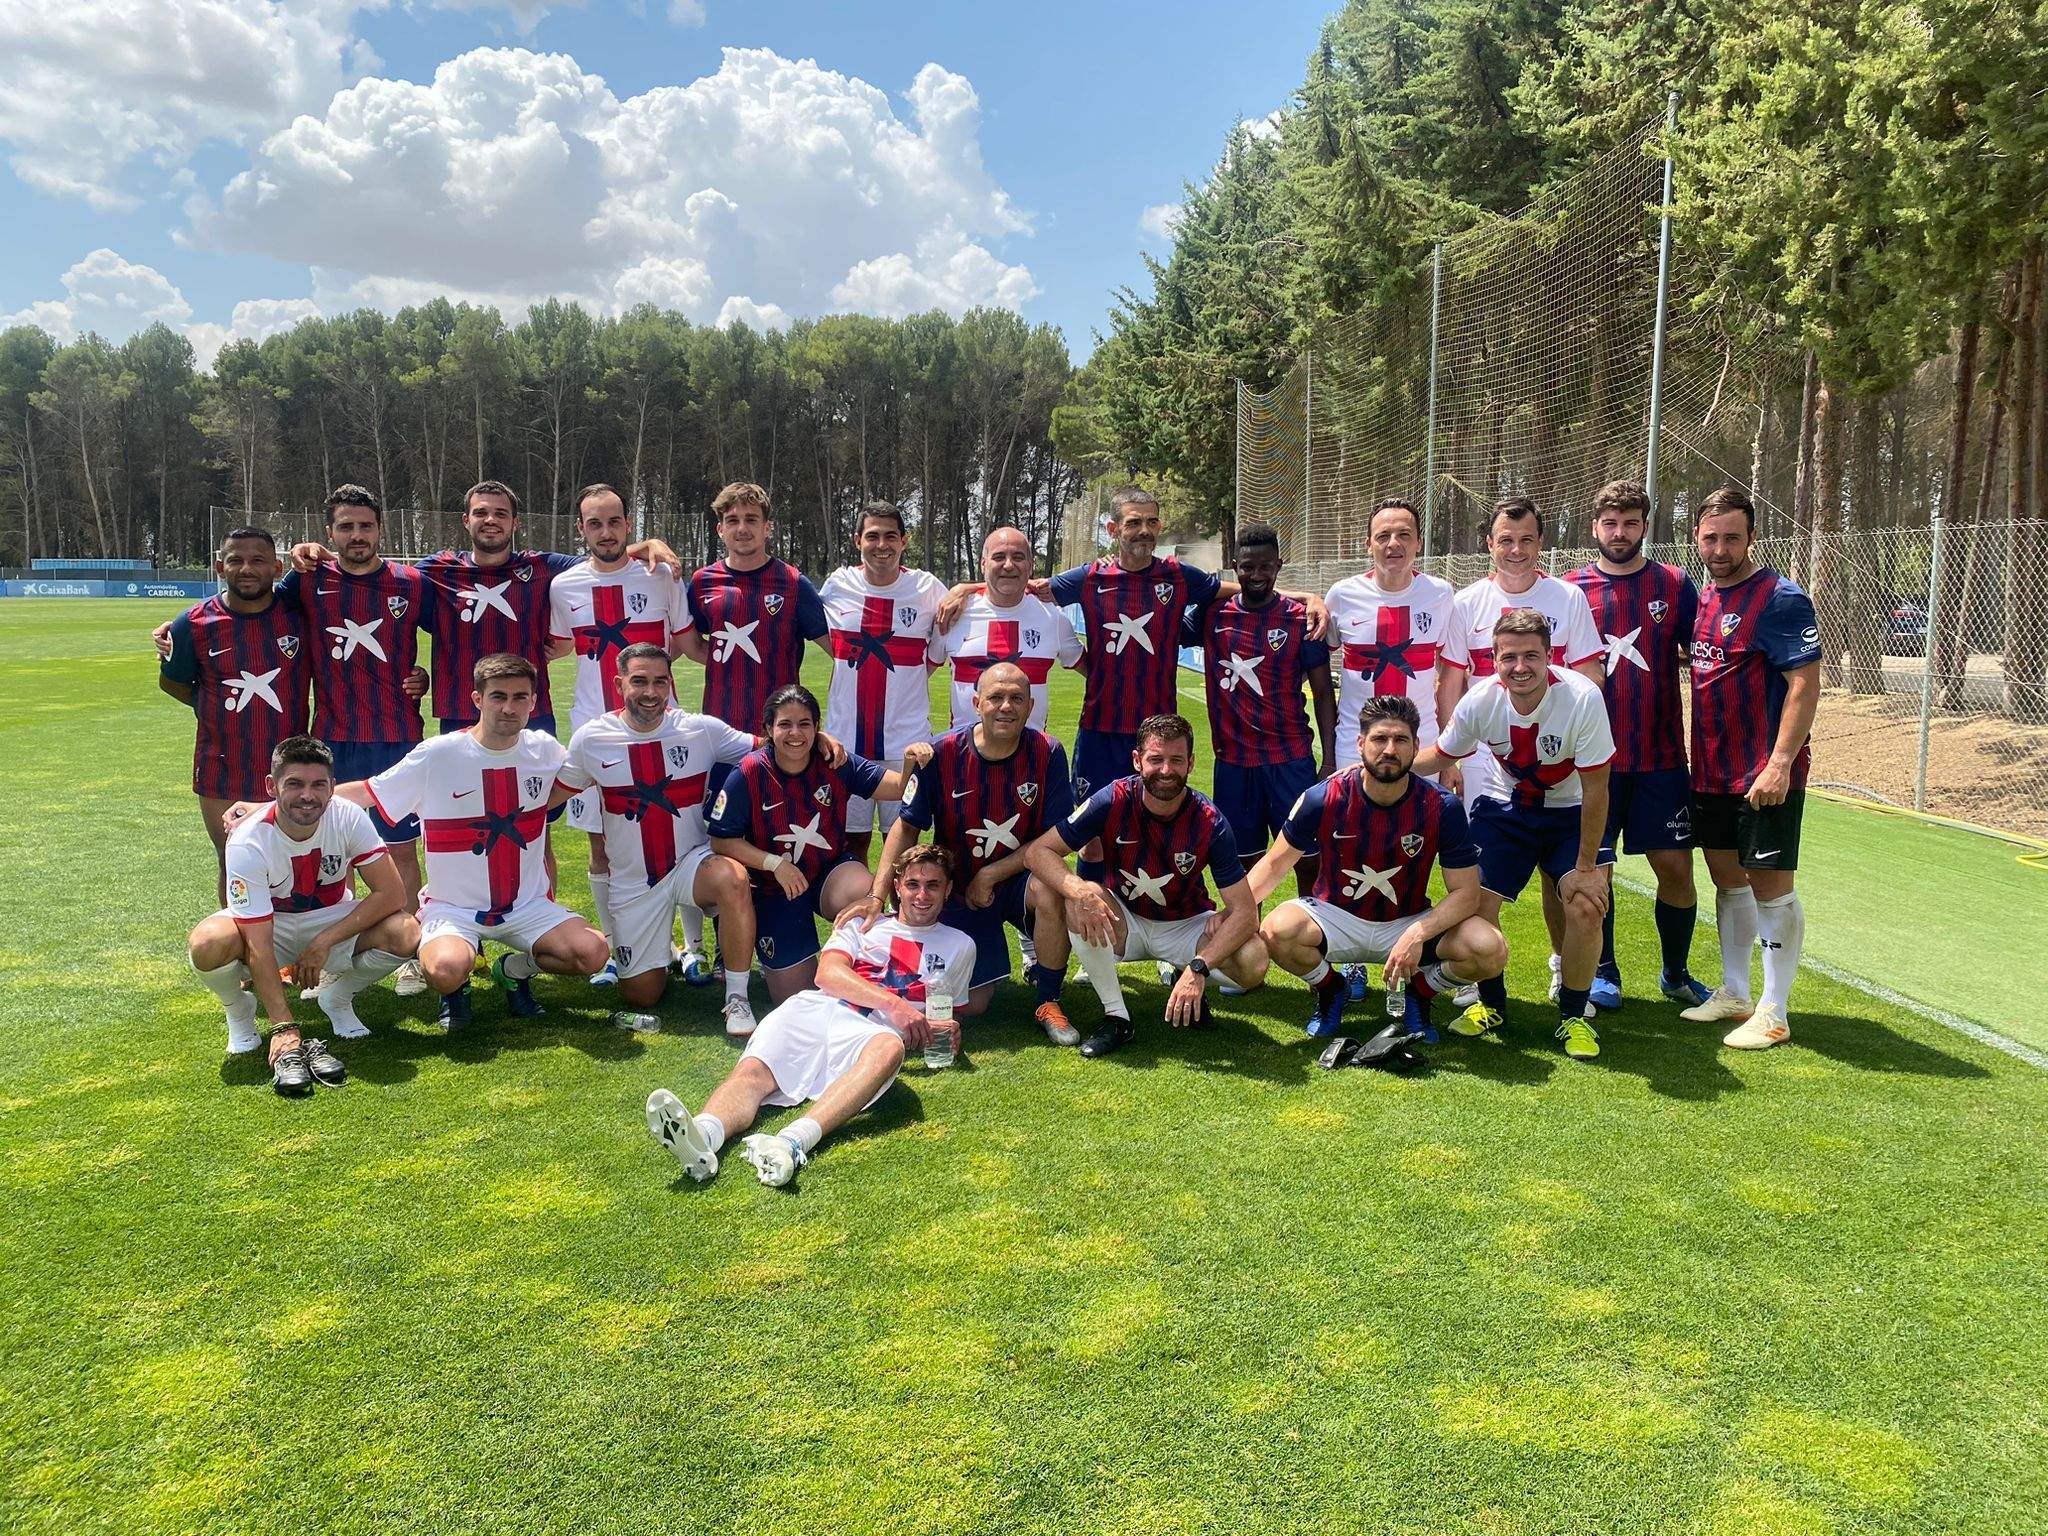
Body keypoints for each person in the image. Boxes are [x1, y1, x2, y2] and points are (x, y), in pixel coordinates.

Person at [644, 846, 974, 1188]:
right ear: (896, 885)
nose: (921, 895)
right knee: (753, 1074)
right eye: (913, 884)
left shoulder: (960, 945)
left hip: (872, 1034)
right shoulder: (862, 921)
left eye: (933, 885)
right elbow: (827, 974)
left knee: (890, 1049)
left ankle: (790, 1143)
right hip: (819, 1008)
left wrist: (944, 1030)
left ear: (948, 889)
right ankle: (704, 1134)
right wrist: (895, 1004)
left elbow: (946, 1009)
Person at [345, 653, 611, 1027]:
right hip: (453, 907)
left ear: (533, 702)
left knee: (593, 952)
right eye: (498, 696)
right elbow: (368, 792)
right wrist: (268, 808)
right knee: (445, 969)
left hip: (527, 904)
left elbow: (585, 772)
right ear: (477, 700)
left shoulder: (544, 749)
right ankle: (457, 989)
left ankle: (513, 970)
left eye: (520, 697)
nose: (509, 707)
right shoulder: (439, 754)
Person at [1415, 609, 1615, 1061]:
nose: (1520, 667)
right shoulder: (1481, 699)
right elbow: (1441, 755)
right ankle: (1492, 1006)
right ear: (1494, 658)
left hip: (1573, 810)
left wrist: (1586, 869)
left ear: (1550, 656)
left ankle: (1573, 1016)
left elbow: (1598, 787)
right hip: (1508, 808)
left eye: (1531, 656)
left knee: (1586, 905)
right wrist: (1378, 766)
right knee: (1476, 901)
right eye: (1509, 657)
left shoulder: (1582, 698)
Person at [1248, 695, 1505, 1044]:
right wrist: (1231, 916)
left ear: (1416, 746)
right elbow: (1274, 866)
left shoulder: (1441, 806)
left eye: (1400, 740)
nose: (1389, 749)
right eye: (1379, 739)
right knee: (1278, 930)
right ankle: (1331, 989)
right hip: (1335, 917)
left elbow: (1466, 893)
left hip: (1405, 920)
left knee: (1488, 948)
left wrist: (1416, 934)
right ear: (1360, 744)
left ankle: (1419, 994)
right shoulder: (1323, 798)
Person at [848, 660, 1077, 1041]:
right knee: (976, 1001)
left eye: (1017, 698)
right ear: (976, 703)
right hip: (959, 886)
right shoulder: (941, 753)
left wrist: (992, 873)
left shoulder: (1048, 751)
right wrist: (877, 893)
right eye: (996, 697)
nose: (1006, 706)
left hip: (1018, 878)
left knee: (1053, 887)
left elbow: (1055, 838)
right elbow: (906, 828)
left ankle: (1048, 999)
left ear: (1030, 706)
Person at [1024, 713, 1269, 1058]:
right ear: (1138, 760)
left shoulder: (1210, 821)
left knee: (1254, 960)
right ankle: (1117, 1017)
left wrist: (1199, 967)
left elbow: (1246, 914)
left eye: (1176, 760)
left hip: (1186, 924)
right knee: (1081, 896)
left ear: (1190, 764)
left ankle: (1184, 979)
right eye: (1156, 759)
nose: (1166, 770)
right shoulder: (1112, 799)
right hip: (1126, 919)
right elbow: (1038, 852)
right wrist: (1077, 888)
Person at [187, 736, 418, 1096]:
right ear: (271, 786)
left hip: (328, 920)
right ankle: (238, 1009)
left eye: (318, 785)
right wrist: (283, 1027)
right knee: (207, 942)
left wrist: (324, 941)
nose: (307, 795)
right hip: (271, 927)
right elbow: (259, 943)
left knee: (406, 932)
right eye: (294, 783)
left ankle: (338, 997)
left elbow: (392, 893)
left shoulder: (348, 816)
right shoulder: (248, 839)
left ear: (331, 787)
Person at [1445, 495, 1606, 1012]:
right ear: (1489, 544)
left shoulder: (1567, 597)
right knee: (1482, 886)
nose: (1516, 550)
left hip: (1560, 768)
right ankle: (1479, 979)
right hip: (1488, 768)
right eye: (1505, 540)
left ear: (1542, 543)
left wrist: (1560, 731)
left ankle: (1565, 968)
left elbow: (1589, 673)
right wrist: (1453, 761)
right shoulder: (1466, 603)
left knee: (1562, 882)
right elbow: (1452, 681)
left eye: (1527, 539)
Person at [1677, 484, 1822, 1050]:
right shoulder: (1705, 598)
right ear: (1697, 538)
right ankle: (1735, 989)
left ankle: (1774, 1009)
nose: (1720, 547)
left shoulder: (1781, 598)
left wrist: (1780, 762)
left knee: (1771, 888)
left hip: (1761, 774)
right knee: (1727, 880)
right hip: (1710, 770)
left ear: (1751, 537)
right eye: (1710, 538)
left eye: (1731, 537)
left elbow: (1804, 683)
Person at [554, 644, 762, 1035]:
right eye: (639, 681)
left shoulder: (701, 729)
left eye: (659, 681)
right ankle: (658, 954)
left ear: (670, 684)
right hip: (634, 881)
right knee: (641, 996)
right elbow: (550, 795)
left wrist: (820, 740)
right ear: (619, 684)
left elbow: (767, 748)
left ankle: (737, 997)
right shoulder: (591, 739)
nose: (650, 692)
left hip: (690, 865)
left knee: (732, 877)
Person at [1563, 480, 1710, 1011]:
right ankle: (1604, 973)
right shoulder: (1571, 588)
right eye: (1610, 523)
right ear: (1595, 527)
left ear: (1645, 526)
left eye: (1629, 523)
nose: (1619, 533)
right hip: (1592, 763)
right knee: (1594, 870)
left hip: (1661, 759)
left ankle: (1675, 972)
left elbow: (1708, 651)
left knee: (1674, 867)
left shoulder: (1674, 584)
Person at [547, 483, 691, 986]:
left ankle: (691, 949)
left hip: (662, 729)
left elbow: (688, 640)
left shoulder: (661, 576)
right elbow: (558, 646)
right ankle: (617, 947)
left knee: (681, 838)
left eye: (614, 522)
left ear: (629, 524)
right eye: (594, 523)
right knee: (602, 847)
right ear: (580, 529)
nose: (605, 532)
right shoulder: (563, 586)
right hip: (595, 734)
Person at [707, 684, 918, 1006]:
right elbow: (721, 838)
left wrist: (911, 760)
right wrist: (775, 864)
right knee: (796, 997)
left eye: (805, 724)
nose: (795, 733)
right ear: (768, 728)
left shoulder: (834, 760)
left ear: (817, 728)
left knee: (863, 891)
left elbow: (896, 788)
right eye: (785, 725)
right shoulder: (749, 772)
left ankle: (856, 965)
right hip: (773, 887)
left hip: (827, 872)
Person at [159, 525, 310, 900]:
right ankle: (244, 955)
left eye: (257, 560)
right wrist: (210, 706)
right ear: (219, 567)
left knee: (297, 861)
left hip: (289, 764)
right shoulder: (192, 623)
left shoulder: (299, 615)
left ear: (276, 568)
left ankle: (293, 950)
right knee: (234, 860)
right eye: (235, 560)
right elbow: (172, 682)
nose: (246, 568)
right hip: (221, 765)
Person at [1187, 524, 1335, 877]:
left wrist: (1328, 759)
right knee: (1241, 870)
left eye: (1265, 567)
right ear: (1235, 566)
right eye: (1248, 567)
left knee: (1307, 861)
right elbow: (1162, 630)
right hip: (1235, 764)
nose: (1256, 575)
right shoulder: (1212, 614)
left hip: (1290, 760)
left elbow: (1324, 693)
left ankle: (1311, 932)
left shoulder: (1300, 619)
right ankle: (1247, 933)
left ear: (1278, 566)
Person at [675, 481, 829, 803]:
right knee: (719, 831)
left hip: (779, 736)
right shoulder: (703, 581)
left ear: (767, 527)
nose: (742, 528)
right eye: (732, 520)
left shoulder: (793, 582)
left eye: (751, 519)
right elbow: (685, 645)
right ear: (720, 529)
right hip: (719, 734)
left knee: (777, 830)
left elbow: (837, 652)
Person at [816, 501, 947, 861]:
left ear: (904, 541)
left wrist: (966, 587)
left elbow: (934, 656)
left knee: (905, 845)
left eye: (891, 536)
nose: (882, 544)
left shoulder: (927, 589)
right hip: (845, 743)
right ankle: (857, 915)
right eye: (872, 536)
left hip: (906, 746)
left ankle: (900, 916)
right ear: (858, 540)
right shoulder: (837, 584)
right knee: (850, 842)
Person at [1324, 498, 1465, 764]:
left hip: (1422, 745)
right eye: (1383, 536)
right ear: (1368, 544)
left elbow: (1450, 671)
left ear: (1418, 543)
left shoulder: (1440, 594)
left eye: (1404, 535)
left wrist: (1448, 758)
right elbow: (1319, 666)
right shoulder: (1342, 595)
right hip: (1354, 746)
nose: (1393, 544)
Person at [928, 524, 1084, 735]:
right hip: (964, 760)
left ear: (1030, 565)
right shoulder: (953, 614)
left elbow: (1098, 675)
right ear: (983, 564)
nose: (1008, 565)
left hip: (1030, 761)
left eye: (1018, 557)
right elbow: (916, 677)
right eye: (999, 557)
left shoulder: (1053, 618)